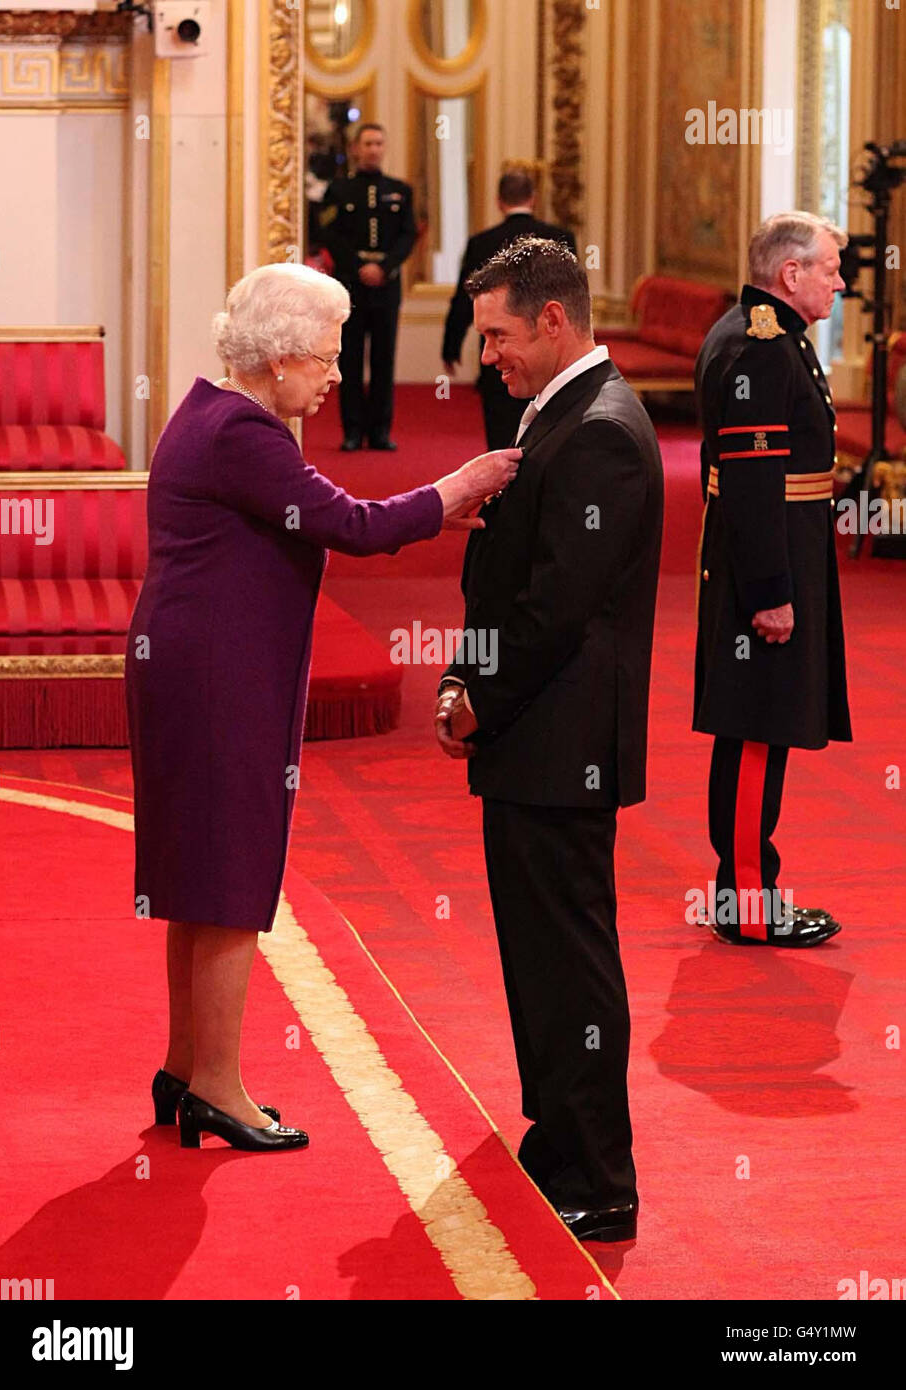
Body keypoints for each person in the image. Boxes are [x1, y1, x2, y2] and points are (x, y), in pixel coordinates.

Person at [125, 262, 519, 1153]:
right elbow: (351, 525)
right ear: (276, 360)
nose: (337, 375)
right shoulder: (246, 435)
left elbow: (329, 520)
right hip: (220, 674)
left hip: (190, 663)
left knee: (197, 869)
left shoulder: (210, 411)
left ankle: (186, 1066)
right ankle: (220, 1087)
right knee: (230, 876)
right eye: (325, 358)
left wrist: (427, 511)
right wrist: (451, 492)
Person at [433, 237, 664, 1243]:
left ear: (556, 320)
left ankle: (601, 1176)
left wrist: (477, 695)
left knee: (571, 958)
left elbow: (557, 610)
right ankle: (556, 1130)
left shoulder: (603, 430)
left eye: (499, 334)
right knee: (538, 950)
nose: (489, 354)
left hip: (561, 740)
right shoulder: (558, 412)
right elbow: (507, 577)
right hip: (533, 733)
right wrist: (459, 672)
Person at [694, 211, 852, 947]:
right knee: (759, 729)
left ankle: (743, 890)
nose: (839, 282)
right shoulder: (763, 349)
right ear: (791, 275)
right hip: (767, 569)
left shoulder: (769, 336)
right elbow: (755, 484)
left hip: (780, 556)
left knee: (760, 728)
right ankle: (748, 906)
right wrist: (771, 595)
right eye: (829, 269)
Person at [442, 169, 578, 449]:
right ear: (534, 198)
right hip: (548, 348)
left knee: (500, 423)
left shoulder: (481, 243)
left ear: (499, 201)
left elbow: (464, 300)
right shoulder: (560, 239)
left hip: (500, 349)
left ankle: (502, 485)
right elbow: (572, 298)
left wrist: (450, 345)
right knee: (549, 421)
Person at [317, 123, 416, 451]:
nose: (374, 149)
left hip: (387, 285)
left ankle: (380, 431)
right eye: (368, 143)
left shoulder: (400, 191)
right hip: (352, 284)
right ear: (357, 148)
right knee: (352, 357)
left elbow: (408, 235)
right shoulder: (339, 190)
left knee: (384, 359)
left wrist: (384, 267)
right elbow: (330, 234)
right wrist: (359, 267)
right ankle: (352, 430)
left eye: (379, 143)